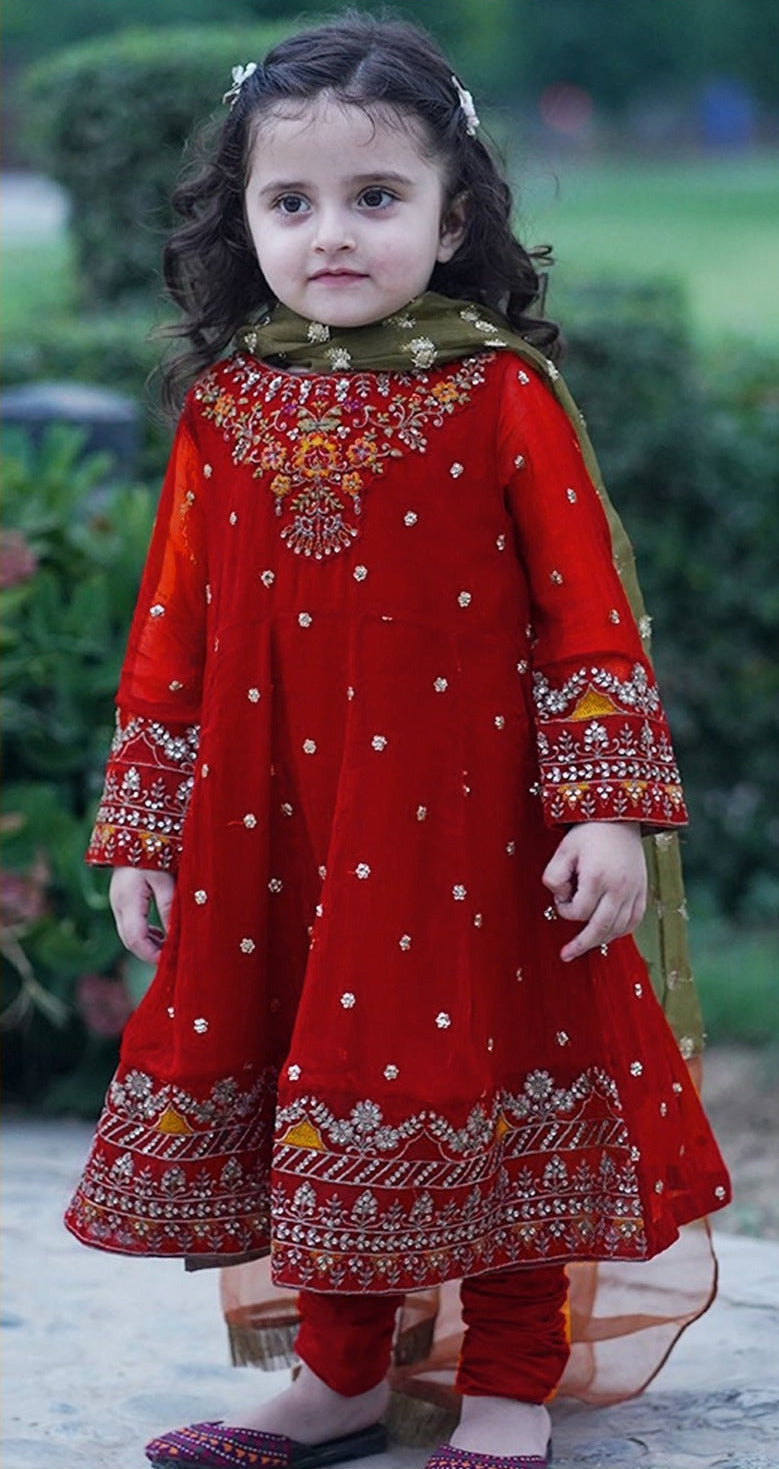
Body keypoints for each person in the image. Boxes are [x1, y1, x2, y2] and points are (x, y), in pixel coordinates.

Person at [65, 14, 731, 1469]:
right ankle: (339, 1375)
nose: (332, 234)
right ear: (243, 220)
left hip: (476, 835)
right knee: (324, 1079)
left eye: (376, 197)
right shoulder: (227, 405)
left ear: (454, 215)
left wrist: (605, 810)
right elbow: (171, 636)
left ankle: (508, 1379)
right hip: (280, 828)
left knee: (489, 1079)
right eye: (290, 201)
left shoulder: (497, 392)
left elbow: (586, 617)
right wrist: (144, 829)